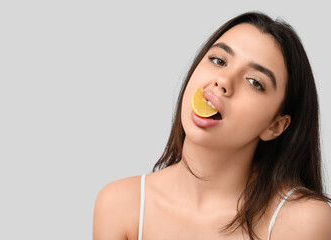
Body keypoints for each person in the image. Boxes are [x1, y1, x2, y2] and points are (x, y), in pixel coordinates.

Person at [93, 11, 331, 240]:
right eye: (218, 60)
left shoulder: (302, 222)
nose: (223, 81)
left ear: (275, 126)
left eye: (254, 82)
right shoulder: (119, 206)